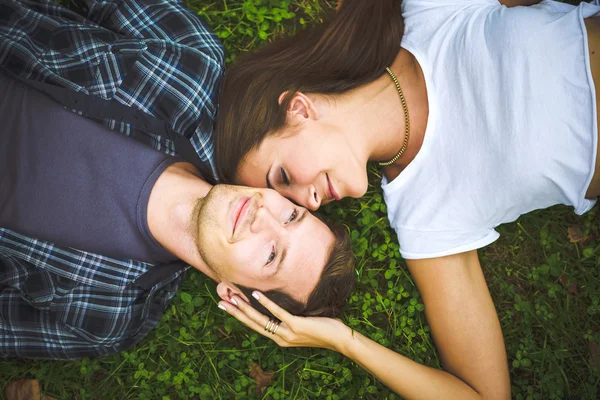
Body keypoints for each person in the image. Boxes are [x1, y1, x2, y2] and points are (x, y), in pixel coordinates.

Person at [214, 0, 600, 398]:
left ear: (298, 109)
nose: (308, 203)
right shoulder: (424, 212)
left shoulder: (426, 13)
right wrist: (346, 341)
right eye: (292, 206)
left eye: (284, 177)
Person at [0, 0, 355, 360]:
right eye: (291, 216)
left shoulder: (103, 319)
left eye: (272, 254)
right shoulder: (191, 70)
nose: (263, 217)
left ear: (234, 295)